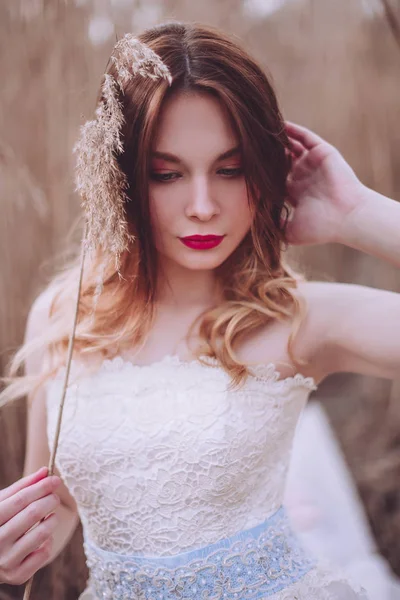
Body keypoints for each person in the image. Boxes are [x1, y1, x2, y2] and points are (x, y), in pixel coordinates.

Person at [0, 20, 399, 600]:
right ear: (124, 182)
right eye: (167, 174)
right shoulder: (63, 314)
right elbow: (58, 501)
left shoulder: (299, 321)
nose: (204, 206)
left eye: (230, 169)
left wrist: (357, 214)